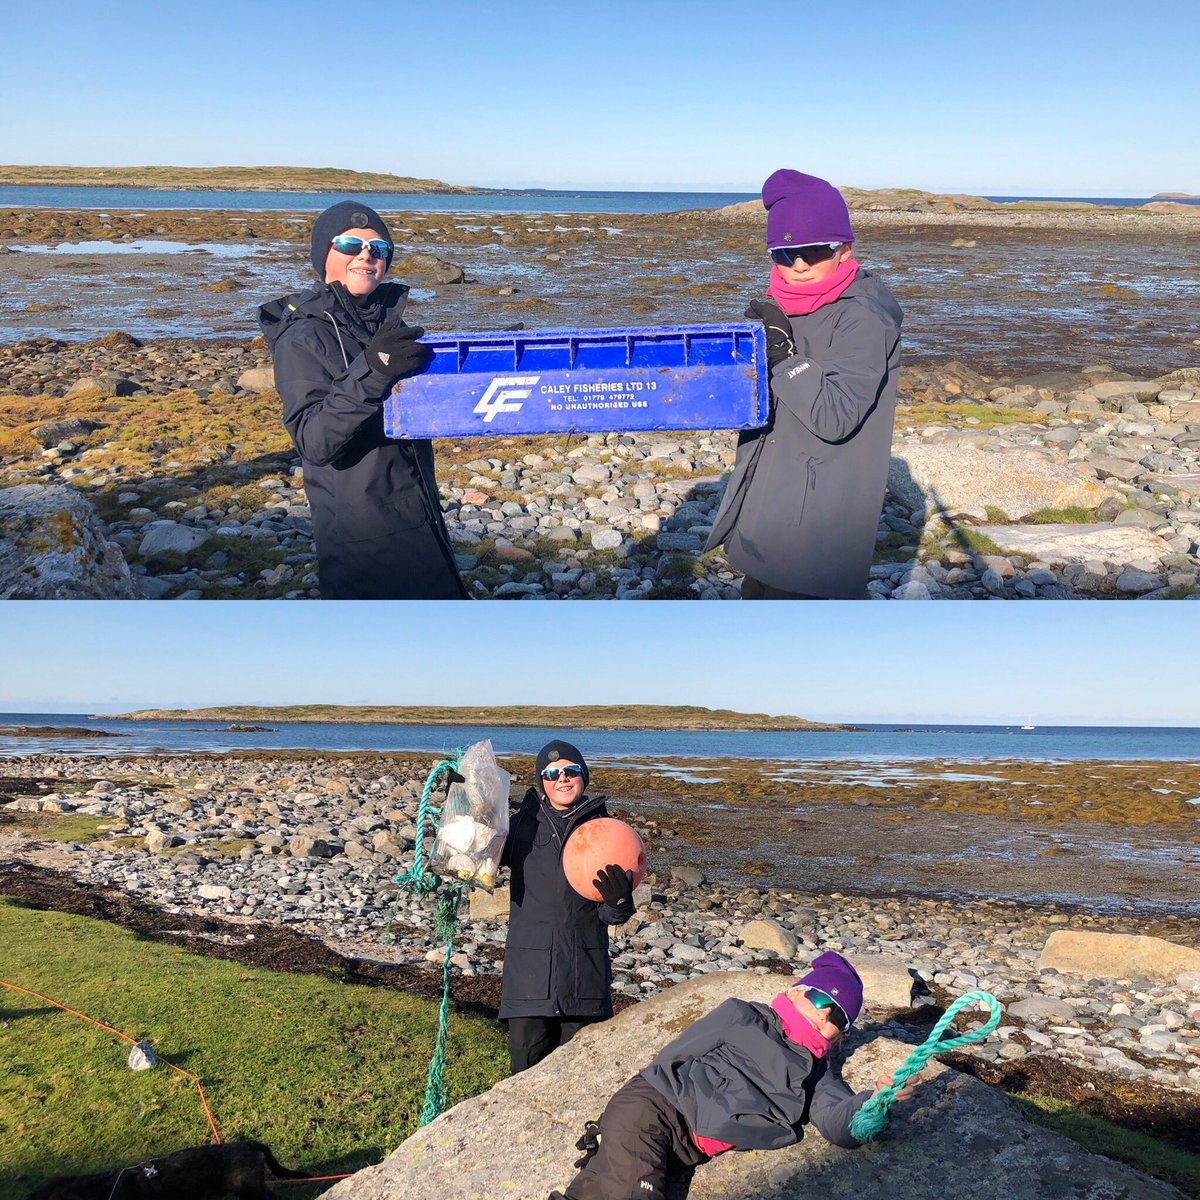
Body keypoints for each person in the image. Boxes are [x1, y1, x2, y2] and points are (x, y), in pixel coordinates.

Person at [552, 952, 915, 1200]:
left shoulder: (818, 1076)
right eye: (821, 1002)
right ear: (797, 991)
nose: (824, 1017)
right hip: (656, 1108)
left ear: (843, 1033)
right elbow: (672, 1058)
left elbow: (838, 1125)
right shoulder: (743, 1016)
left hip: (685, 1148)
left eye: (838, 1017)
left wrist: (872, 1104)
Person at [706, 170, 903, 599]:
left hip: (815, 521)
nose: (798, 264)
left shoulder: (863, 318)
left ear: (844, 249)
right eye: (784, 252)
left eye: (814, 250)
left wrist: (783, 357)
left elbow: (835, 415)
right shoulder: (785, 305)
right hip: (774, 495)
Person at [259, 200, 466, 600]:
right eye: (351, 244)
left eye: (379, 249)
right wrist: (375, 369)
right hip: (361, 535)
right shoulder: (302, 336)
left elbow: (416, 395)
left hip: (415, 508)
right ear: (324, 255)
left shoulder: (386, 322)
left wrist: (481, 363)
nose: (366, 255)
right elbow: (314, 441)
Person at [500, 740, 636, 1074]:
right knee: (524, 1083)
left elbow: (610, 914)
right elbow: (473, 857)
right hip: (528, 983)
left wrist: (620, 903)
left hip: (585, 982)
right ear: (542, 782)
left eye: (571, 770)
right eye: (552, 773)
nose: (562, 778)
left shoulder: (606, 832)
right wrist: (462, 804)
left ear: (583, 777)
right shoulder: (519, 826)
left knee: (580, 1082)